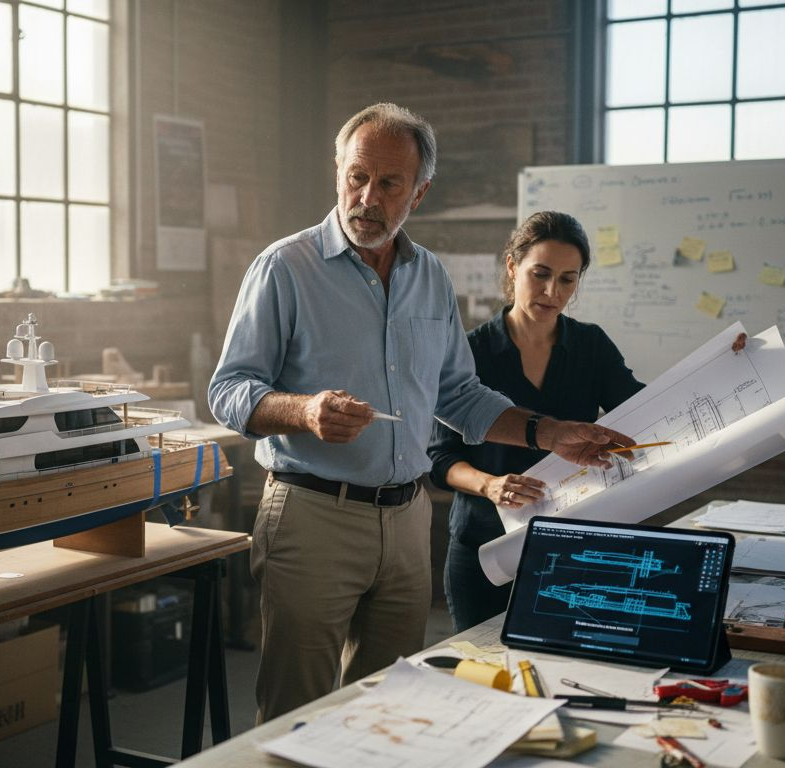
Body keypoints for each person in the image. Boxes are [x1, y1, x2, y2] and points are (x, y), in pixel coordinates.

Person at [208, 104, 634, 722]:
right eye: (357, 176)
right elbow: (228, 389)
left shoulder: (428, 274)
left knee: (391, 712)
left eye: (389, 184)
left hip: (407, 522)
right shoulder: (285, 267)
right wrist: (304, 410)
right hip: (312, 514)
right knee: (296, 713)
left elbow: (460, 396)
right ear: (338, 170)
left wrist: (551, 432)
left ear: (420, 191)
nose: (367, 197)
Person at [427, 211, 747, 633]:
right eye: (539, 274)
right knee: (484, 668)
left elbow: (651, 410)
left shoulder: (590, 346)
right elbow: (440, 458)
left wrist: (725, 366)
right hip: (486, 545)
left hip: (573, 544)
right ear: (512, 266)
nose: (551, 291)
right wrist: (490, 485)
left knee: (565, 665)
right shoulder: (471, 352)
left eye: (567, 279)